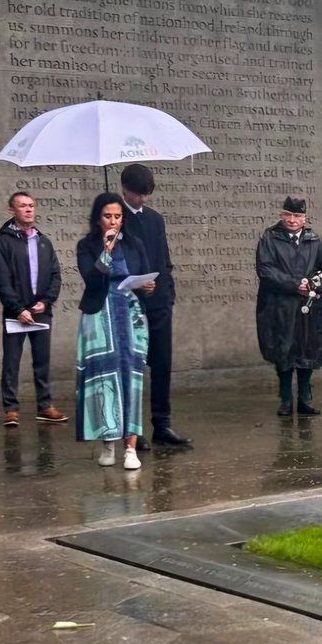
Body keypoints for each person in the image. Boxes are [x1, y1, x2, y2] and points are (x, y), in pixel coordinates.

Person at [75, 192, 154, 470]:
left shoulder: (135, 244)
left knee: (131, 377)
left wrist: (147, 286)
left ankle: (130, 448)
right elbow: (91, 280)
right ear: (98, 219)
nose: (113, 221)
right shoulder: (86, 246)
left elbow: (143, 275)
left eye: (118, 216)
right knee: (104, 378)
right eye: (108, 216)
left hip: (130, 316)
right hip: (99, 316)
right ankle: (107, 441)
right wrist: (106, 251)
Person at [119, 163, 191, 449]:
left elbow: (164, 258)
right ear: (125, 189)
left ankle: (162, 423)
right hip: (131, 304)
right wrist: (134, 281)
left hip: (159, 302)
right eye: (138, 194)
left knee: (161, 363)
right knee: (133, 366)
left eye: (147, 194)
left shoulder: (155, 219)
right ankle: (132, 429)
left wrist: (167, 291)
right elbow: (110, 265)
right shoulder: (114, 219)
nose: (143, 200)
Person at [256, 196, 322, 417]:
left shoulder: (315, 241)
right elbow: (266, 270)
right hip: (279, 307)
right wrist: (295, 285)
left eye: (297, 216)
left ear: (304, 219)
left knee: (307, 351)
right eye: (288, 215)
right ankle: (285, 399)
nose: (292, 220)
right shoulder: (269, 239)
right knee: (283, 352)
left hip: (309, 307)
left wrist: (314, 284)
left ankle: (304, 398)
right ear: (281, 215)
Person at [0, 191, 66, 427]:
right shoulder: (3, 243)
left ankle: (44, 406)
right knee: (11, 362)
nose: (28, 210)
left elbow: (55, 275)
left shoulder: (44, 242)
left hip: (41, 311)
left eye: (31, 205)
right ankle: (10, 409)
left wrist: (46, 301)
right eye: (23, 206)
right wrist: (17, 308)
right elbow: (1, 280)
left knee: (42, 360)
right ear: (12, 211)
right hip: (16, 314)